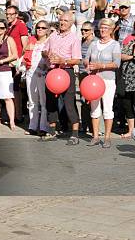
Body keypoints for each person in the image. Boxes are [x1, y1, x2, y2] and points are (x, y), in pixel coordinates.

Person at [41, 11, 82, 144]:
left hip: (66, 72)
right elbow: (43, 51)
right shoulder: (53, 35)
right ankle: (51, 132)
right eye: (61, 20)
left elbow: (76, 60)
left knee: (69, 103)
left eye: (65, 21)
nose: (62, 23)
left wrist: (62, 60)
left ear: (71, 23)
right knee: (50, 102)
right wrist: (47, 54)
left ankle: (75, 134)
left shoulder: (74, 38)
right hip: (52, 72)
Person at [85, 18, 121, 148]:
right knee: (94, 109)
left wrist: (101, 65)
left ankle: (107, 137)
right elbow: (86, 59)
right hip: (94, 81)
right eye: (101, 27)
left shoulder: (115, 44)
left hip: (108, 80)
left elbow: (117, 63)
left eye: (106, 27)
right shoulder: (94, 44)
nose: (103, 30)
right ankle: (95, 136)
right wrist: (87, 65)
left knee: (107, 109)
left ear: (111, 30)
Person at [25, 20, 51, 135]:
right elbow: (24, 53)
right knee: (32, 100)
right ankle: (32, 125)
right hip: (30, 73)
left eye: (43, 28)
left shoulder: (49, 42)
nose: (40, 29)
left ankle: (43, 127)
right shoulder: (32, 41)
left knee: (43, 101)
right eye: (38, 27)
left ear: (47, 30)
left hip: (43, 74)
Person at [5, 5, 29, 123]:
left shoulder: (21, 25)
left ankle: (18, 115)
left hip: (16, 62)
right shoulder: (8, 26)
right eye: (7, 14)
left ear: (16, 14)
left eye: (11, 14)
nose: (8, 16)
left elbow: (25, 46)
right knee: (10, 89)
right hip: (8, 61)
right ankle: (12, 114)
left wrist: (21, 62)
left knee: (16, 89)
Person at [120, 17, 135, 139]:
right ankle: (131, 131)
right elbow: (121, 56)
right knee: (127, 105)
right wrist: (132, 56)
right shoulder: (129, 38)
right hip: (127, 77)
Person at [79, 22, 96, 135]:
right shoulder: (82, 41)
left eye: (86, 30)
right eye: (82, 30)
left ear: (92, 30)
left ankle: (94, 127)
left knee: (94, 101)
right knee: (83, 100)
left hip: (93, 74)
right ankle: (84, 125)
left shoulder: (96, 42)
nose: (83, 32)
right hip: (82, 73)